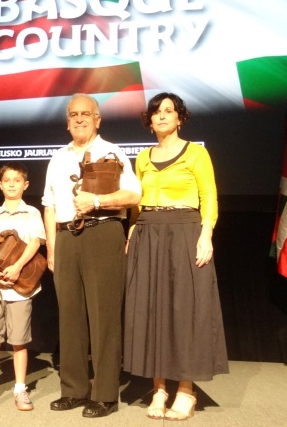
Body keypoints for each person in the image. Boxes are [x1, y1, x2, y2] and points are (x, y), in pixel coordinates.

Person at [123, 92, 228, 421]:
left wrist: (206, 234)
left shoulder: (195, 153)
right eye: (156, 112)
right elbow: (137, 202)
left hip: (184, 229)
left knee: (185, 310)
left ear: (180, 118)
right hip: (148, 231)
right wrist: (131, 232)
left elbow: (208, 194)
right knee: (151, 309)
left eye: (169, 111)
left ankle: (185, 390)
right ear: (149, 120)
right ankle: (159, 389)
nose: (162, 116)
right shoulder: (142, 157)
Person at [42, 93, 141, 418]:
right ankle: (74, 389)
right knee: (69, 316)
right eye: (73, 114)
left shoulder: (112, 151)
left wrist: (98, 203)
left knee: (104, 317)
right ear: (67, 121)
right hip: (66, 238)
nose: (79, 119)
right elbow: (50, 204)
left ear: (98, 119)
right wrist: (53, 250)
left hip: (103, 233)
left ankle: (104, 394)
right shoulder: (57, 157)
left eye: (86, 113)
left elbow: (134, 194)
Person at [0, 162, 45, 412]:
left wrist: (16, 269)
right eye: (7, 180)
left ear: (25, 185)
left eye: (17, 180)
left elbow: (36, 242)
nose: (12, 184)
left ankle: (20, 389)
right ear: (0, 185)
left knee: (18, 341)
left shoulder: (32, 213)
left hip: (20, 287)